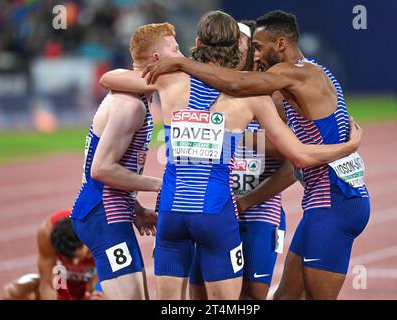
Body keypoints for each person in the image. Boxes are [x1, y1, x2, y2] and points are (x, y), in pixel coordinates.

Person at [99, 10, 362, 300]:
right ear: (240, 47)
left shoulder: (169, 79)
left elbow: (110, 79)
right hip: (216, 213)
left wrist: (163, 65)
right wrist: (347, 147)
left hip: (171, 211)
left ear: (198, 41)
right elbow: (299, 154)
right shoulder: (253, 96)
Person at [70, 22, 183, 300]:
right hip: (101, 213)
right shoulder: (130, 106)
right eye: (175, 49)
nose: (182, 55)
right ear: (156, 59)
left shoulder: (139, 98)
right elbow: (101, 169)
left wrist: (135, 207)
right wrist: (161, 183)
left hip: (113, 210)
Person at [187, 21, 295, 301]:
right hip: (214, 211)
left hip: (259, 215)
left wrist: (246, 201)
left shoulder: (274, 96)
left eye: (242, 47)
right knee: (201, 295)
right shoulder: (205, 91)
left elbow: (293, 166)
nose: (233, 53)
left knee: (250, 298)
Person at [2, 209, 101, 300]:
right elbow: (47, 284)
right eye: (69, 258)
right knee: (11, 293)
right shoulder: (46, 232)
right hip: (60, 284)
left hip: (90, 290)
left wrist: (96, 292)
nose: (76, 263)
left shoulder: (102, 231)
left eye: (84, 255)